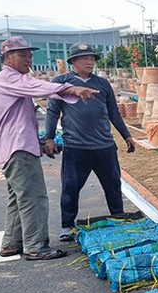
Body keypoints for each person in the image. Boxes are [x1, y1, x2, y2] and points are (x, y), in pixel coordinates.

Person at [0, 36, 98, 260]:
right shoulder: (9, 78)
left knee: (18, 197)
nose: (29, 58)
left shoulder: (10, 79)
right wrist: (72, 89)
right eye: (22, 55)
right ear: (7, 57)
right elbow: (38, 87)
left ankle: (12, 243)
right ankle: (36, 246)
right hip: (17, 149)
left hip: (14, 147)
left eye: (29, 54)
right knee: (33, 198)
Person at [45, 43, 136, 241]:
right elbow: (52, 112)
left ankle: (118, 219)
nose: (90, 61)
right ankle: (67, 226)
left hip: (104, 147)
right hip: (76, 148)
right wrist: (49, 138)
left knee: (113, 185)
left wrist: (126, 135)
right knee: (70, 187)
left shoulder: (102, 84)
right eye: (84, 58)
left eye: (92, 58)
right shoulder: (62, 83)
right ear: (73, 62)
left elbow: (113, 112)